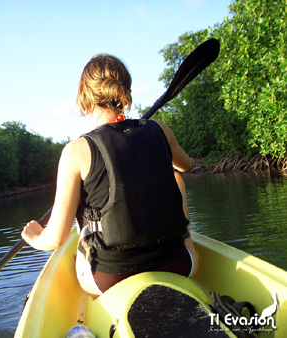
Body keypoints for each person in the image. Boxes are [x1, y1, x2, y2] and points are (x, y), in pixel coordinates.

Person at [21, 54, 197, 297]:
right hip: (179, 266)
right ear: (126, 89)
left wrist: (35, 237)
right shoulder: (161, 130)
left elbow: (56, 240)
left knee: (81, 234)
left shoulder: (75, 151)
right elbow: (186, 166)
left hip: (109, 279)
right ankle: (184, 242)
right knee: (177, 178)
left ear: (85, 96)